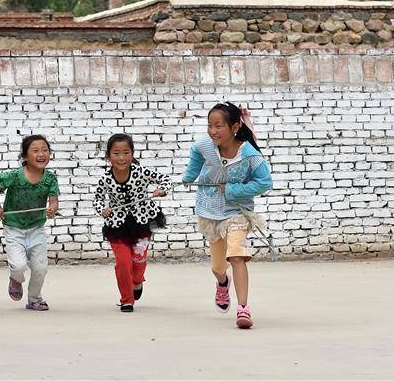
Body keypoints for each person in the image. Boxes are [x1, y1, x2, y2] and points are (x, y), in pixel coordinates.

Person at [182, 102, 272, 328]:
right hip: (211, 211)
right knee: (217, 267)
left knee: (237, 255)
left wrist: (232, 190)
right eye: (209, 125)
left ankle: (243, 309)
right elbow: (195, 153)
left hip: (237, 212)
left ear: (234, 127)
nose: (212, 131)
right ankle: (223, 283)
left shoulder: (250, 154)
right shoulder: (205, 145)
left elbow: (264, 182)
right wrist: (189, 176)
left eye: (218, 126)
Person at [94, 133, 171, 312]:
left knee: (138, 261)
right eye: (116, 153)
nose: (121, 158)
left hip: (142, 223)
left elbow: (166, 179)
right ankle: (126, 299)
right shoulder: (105, 179)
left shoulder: (141, 172)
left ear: (133, 154)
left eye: (126, 152)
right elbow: (97, 199)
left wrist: (162, 190)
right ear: (108, 156)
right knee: (123, 262)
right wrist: (102, 209)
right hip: (117, 226)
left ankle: (137, 281)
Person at [0, 134, 60, 311]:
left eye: (45, 150)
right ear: (24, 156)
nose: (41, 154)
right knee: (19, 265)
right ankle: (16, 278)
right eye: (35, 151)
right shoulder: (15, 176)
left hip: (36, 227)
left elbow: (53, 200)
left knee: (40, 268)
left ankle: (35, 299)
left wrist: (52, 207)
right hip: (13, 226)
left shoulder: (50, 178)